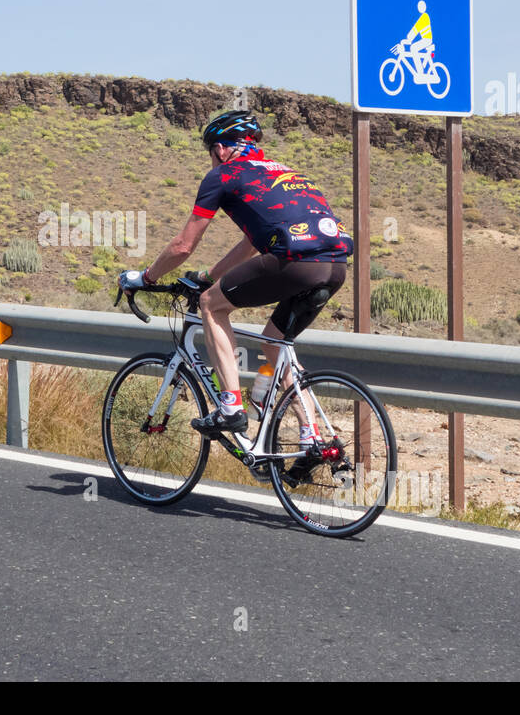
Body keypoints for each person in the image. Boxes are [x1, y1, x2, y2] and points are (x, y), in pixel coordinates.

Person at [117, 110, 354, 481]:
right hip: (335, 266)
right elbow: (251, 242)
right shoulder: (286, 173)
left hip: (295, 261)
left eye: (211, 153)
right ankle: (313, 438)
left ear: (223, 149)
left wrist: (145, 277)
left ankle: (230, 406)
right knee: (275, 345)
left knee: (212, 305)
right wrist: (210, 275)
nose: (211, 160)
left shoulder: (222, 175)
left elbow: (183, 246)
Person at [395, 0, 434, 79]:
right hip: (425, 39)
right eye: (419, 7)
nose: (420, 8)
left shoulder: (424, 17)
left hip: (427, 40)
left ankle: (420, 73)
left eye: (421, 6)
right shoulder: (423, 17)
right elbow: (416, 28)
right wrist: (409, 39)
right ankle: (420, 70)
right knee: (413, 48)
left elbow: (416, 28)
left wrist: (409, 38)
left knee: (413, 48)